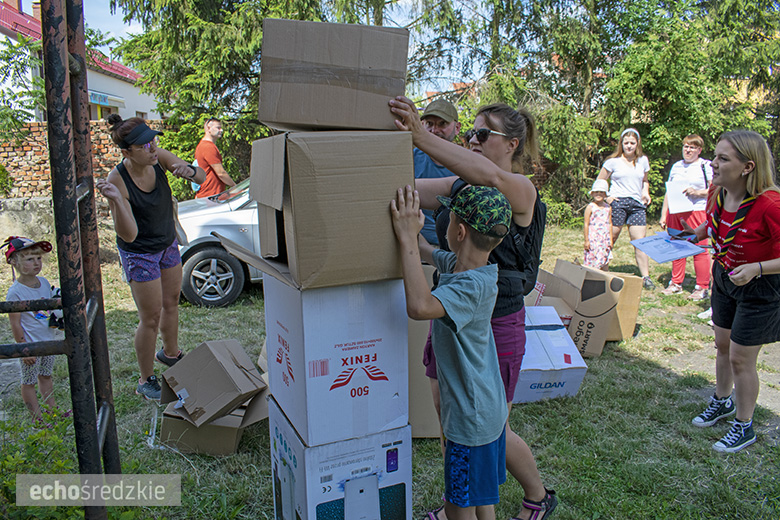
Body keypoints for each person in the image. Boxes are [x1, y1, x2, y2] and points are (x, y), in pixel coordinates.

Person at [389, 97, 557, 520]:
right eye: (470, 134)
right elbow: (405, 192)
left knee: (488, 426)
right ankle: (463, 502)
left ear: (513, 143)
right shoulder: (463, 187)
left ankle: (536, 496)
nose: (473, 141)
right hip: (452, 318)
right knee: (452, 413)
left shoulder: (520, 189)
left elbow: (489, 174)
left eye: (484, 134)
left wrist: (420, 136)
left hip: (496, 324)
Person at [391, 184, 510, 520]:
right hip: (485, 411)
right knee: (480, 497)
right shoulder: (468, 268)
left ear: (458, 231)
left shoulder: (470, 286)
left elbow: (419, 305)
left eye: (448, 217)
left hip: (469, 420)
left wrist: (405, 237)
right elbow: (427, 250)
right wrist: (411, 232)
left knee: (458, 508)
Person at [681, 130, 780, 452]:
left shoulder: (770, 205)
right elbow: (715, 222)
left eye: (723, 158)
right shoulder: (718, 192)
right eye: (716, 156)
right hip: (725, 277)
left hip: (760, 287)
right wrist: (698, 232)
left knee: (741, 358)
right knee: (722, 344)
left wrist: (758, 268)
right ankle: (722, 400)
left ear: (748, 167)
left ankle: (744, 425)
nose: (714, 163)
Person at [96, 115, 206, 400]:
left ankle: (171, 354)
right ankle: (146, 380)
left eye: (154, 141)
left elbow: (202, 177)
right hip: (139, 253)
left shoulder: (158, 159)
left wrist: (188, 170)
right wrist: (117, 201)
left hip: (167, 243)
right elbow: (129, 235)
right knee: (150, 316)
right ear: (126, 152)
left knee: (171, 303)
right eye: (145, 145)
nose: (152, 148)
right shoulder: (117, 179)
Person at [3, 236, 64, 425]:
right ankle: (37, 417)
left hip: (48, 341)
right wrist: (23, 347)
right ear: (14, 262)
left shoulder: (44, 283)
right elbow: (15, 323)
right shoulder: (16, 292)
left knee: (46, 375)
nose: (36, 263)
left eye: (38, 258)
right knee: (28, 381)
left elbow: (46, 313)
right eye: (30, 259)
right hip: (30, 345)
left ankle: (52, 411)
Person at [596, 128, 655, 289]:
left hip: (636, 205)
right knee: (610, 239)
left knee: (640, 242)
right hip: (618, 203)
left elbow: (645, 181)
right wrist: (607, 197)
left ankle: (646, 277)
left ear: (637, 144)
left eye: (632, 143)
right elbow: (600, 181)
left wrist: (645, 192)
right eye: (626, 143)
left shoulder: (642, 160)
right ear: (621, 144)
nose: (629, 146)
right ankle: (602, 272)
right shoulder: (612, 162)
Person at [659, 135, 712, 300]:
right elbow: (669, 190)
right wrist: (664, 214)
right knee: (677, 247)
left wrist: (697, 193)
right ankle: (676, 283)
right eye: (686, 147)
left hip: (697, 210)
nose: (688, 150)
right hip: (676, 211)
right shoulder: (676, 166)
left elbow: (714, 190)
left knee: (699, 248)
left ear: (699, 150)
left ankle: (702, 286)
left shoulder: (705, 166)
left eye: (692, 147)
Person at [415, 99, 460, 245]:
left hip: (453, 250)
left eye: (442, 124)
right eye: (429, 124)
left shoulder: (467, 165)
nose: (434, 130)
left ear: (457, 127)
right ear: (422, 125)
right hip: (416, 245)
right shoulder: (410, 158)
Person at [194, 117, 235, 198]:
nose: (221, 130)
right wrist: (235, 186)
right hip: (211, 196)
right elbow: (221, 173)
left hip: (209, 195)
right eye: (218, 128)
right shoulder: (208, 147)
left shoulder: (204, 145)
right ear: (208, 128)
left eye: (221, 128)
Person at [583, 178, 613, 270]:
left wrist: (611, 239)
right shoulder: (590, 207)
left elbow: (610, 223)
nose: (598, 194)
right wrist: (586, 240)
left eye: (601, 192)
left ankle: (604, 277)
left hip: (604, 239)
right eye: (596, 192)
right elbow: (586, 224)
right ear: (592, 193)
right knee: (592, 258)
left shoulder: (608, 207)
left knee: (604, 258)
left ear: (605, 194)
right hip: (593, 239)